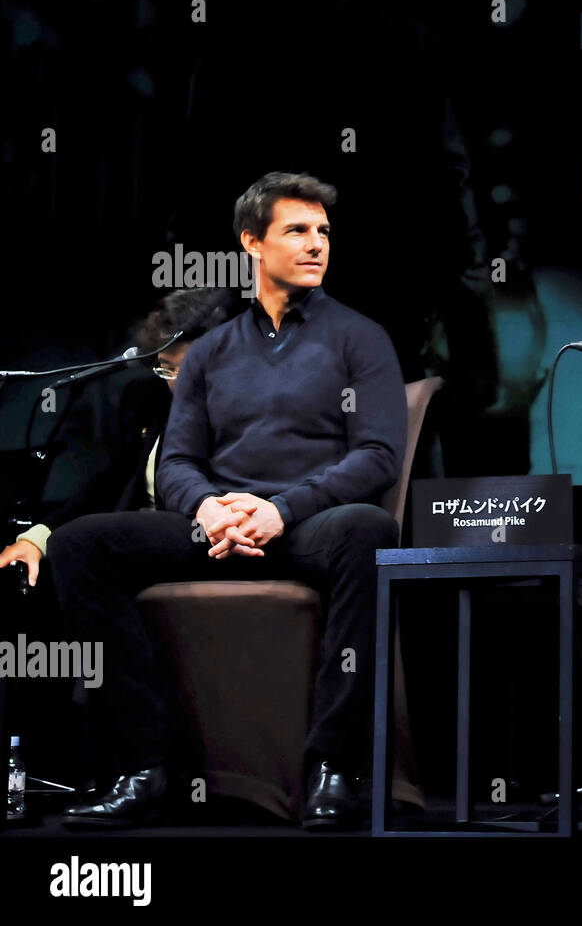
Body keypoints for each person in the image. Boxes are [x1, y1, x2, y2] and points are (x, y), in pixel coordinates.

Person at [46, 172, 407, 830]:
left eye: (324, 231)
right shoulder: (210, 352)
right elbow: (179, 460)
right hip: (219, 528)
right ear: (252, 244)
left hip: (307, 527)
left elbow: (379, 456)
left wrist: (282, 510)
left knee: (369, 529)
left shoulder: (361, 338)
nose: (316, 243)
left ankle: (331, 766)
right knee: (78, 545)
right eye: (297, 230)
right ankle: (145, 766)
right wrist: (210, 508)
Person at [0, 286, 232, 590]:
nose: (176, 383)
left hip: (208, 541)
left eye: (188, 369)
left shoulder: (250, 411)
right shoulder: (154, 404)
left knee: (77, 544)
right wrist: (37, 539)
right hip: (141, 540)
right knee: (36, 569)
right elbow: (111, 481)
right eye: (166, 369)